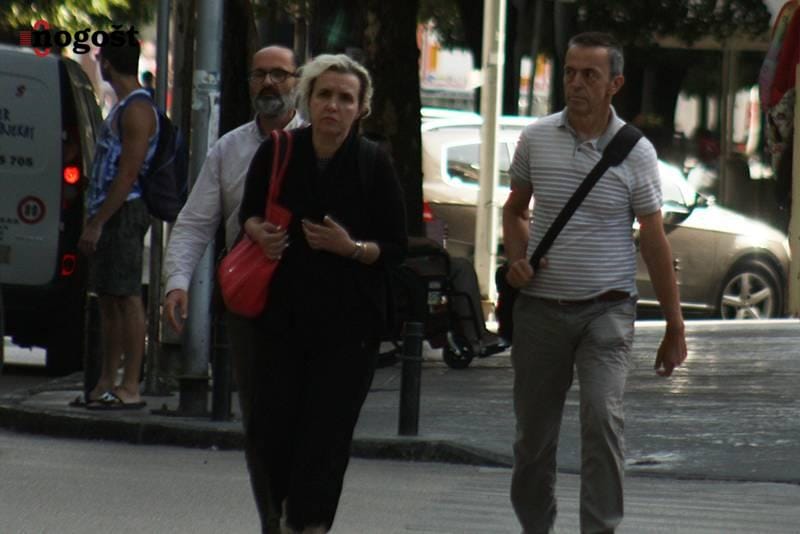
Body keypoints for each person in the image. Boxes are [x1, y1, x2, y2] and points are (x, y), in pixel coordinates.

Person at [502, 32, 687, 533]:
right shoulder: (536, 138)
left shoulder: (637, 153)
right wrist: (517, 259)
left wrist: (675, 326)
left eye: (590, 74)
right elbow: (515, 211)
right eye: (570, 72)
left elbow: (654, 241)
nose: (576, 83)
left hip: (607, 310)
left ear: (614, 84)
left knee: (603, 421)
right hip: (540, 310)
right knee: (533, 440)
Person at [238, 53, 407, 533]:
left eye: (346, 98)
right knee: (272, 432)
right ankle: (283, 516)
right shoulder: (279, 151)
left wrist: (350, 248)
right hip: (281, 320)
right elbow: (248, 213)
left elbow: (395, 248)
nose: (334, 106)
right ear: (308, 99)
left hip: (349, 329)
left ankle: (310, 526)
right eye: (325, 95)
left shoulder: (373, 163)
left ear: (361, 108)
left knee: (326, 440)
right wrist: (258, 232)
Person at [162, 45, 305, 533]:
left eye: (279, 74)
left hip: (310, 303)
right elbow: (194, 223)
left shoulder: (318, 141)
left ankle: (304, 514)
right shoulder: (229, 149)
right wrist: (177, 283)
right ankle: (273, 519)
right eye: (260, 74)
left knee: (306, 419)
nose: (269, 83)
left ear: (297, 81)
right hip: (250, 303)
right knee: (260, 421)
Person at [77, 41, 156, 409]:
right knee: (109, 297)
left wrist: (99, 222)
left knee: (126, 296)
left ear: (107, 63)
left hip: (124, 211)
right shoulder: (126, 106)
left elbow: (128, 174)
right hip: (110, 211)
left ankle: (130, 385)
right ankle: (107, 381)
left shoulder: (138, 110)